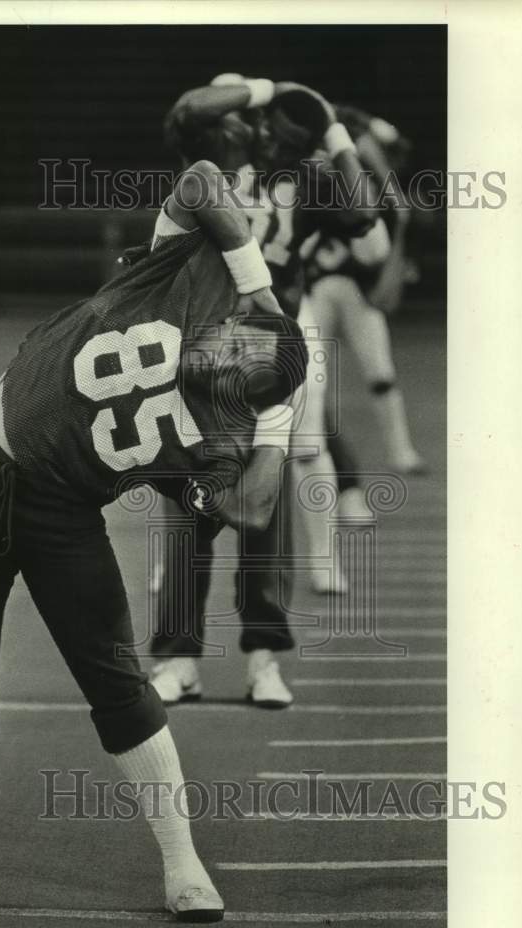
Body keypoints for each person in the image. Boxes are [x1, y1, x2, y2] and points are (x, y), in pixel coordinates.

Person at [0, 159, 308, 922]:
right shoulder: (189, 278)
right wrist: (255, 284)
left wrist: (279, 426)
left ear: (241, 392)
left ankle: (183, 866)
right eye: (236, 334)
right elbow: (199, 180)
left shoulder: (218, 435)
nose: (221, 344)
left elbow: (253, 510)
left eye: (238, 362)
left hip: (61, 509)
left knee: (117, 681)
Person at [151, 76, 382, 708]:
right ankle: (179, 660)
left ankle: (262, 661)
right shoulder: (218, 163)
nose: (276, 134)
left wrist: (335, 134)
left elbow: (363, 217)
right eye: (270, 123)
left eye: (294, 131)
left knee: (266, 518)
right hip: (195, 353)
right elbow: (190, 107)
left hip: (265, 360)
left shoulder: (310, 182)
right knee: (188, 514)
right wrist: (267, 89)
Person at [306, 106, 426, 474]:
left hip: (354, 287)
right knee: (310, 375)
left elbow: (384, 285)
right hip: (320, 285)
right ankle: (310, 440)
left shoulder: (380, 200)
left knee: (379, 372)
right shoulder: (325, 174)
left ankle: (400, 451)